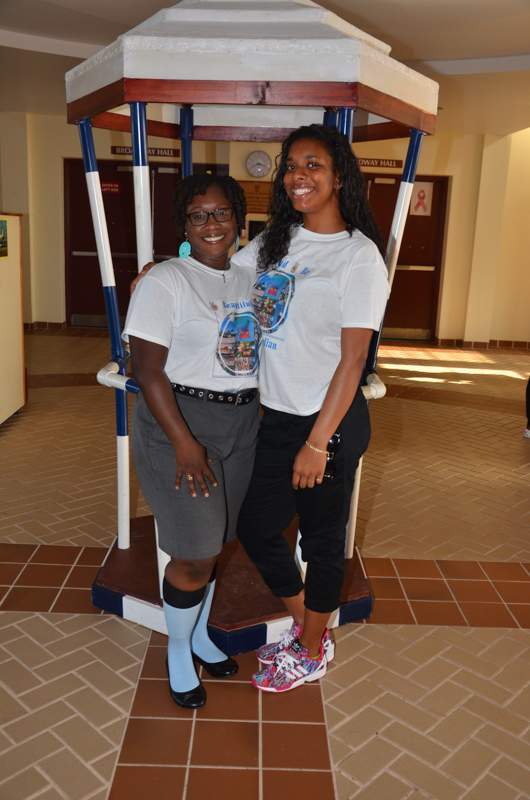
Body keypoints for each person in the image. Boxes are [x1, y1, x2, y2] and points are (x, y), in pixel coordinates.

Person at [231, 123, 389, 693]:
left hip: (329, 423)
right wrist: (168, 266)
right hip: (278, 416)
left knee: (322, 541)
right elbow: (223, 273)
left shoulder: (359, 257)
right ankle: (310, 630)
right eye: (292, 165)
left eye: (313, 164)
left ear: (339, 175)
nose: (299, 176)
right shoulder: (277, 240)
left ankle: (311, 650)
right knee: (255, 528)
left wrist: (317, 442)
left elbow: (354, 360)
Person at [123, 174, 259, 709]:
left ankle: (200, 634)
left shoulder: (250, 275)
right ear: (183, 225)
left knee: (217, 541)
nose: (211, 224)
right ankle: (178, 649)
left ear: (238, 219)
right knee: (195, 552)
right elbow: (147, 369)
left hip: (241, 423)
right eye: (198, 215)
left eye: (221, 212)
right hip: (177, 423)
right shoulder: (166, 280)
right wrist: (184, 442)